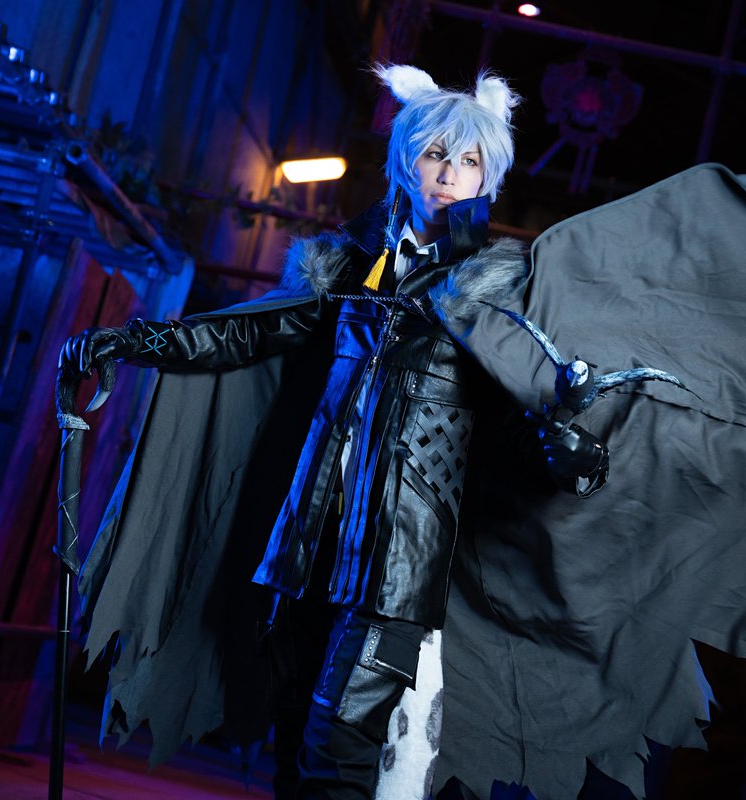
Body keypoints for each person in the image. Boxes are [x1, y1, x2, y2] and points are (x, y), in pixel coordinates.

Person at [62, 65, 605, 798]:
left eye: (470, 161)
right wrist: (131, 340)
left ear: (489, 177)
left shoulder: (496, 297)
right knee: (291, 749)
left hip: (399, 572)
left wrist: (566, 448)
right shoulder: (348, 268)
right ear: (405, 160)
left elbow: (517, 420)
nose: (450, 174)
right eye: (435, 154)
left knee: (337, 749)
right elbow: (245, 334)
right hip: (308, 554)